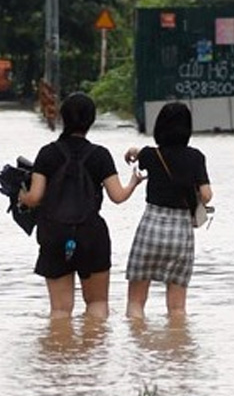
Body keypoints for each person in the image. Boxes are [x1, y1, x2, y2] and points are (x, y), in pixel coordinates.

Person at [19, 92, 143, 320]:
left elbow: (35, 197)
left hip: (54, 233)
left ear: (62, 118)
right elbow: (117, 196)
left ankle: (59, 350)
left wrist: (21, 196)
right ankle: (94, 355)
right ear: (91, 120)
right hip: (91, 234)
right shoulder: (100, 155)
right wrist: (133, 183)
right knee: (97, 304)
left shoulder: (47, 153)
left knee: (59, 310)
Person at [122, 102, 213, 319]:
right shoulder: (196, 157)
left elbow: (138, 154)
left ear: (159, 127)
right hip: (181, 234)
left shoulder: (151, 155)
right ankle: (177, 346)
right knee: (177, 309)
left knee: (135, 303)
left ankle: (136, 349)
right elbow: (207, 195)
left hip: (151, 228)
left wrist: (133, 151)